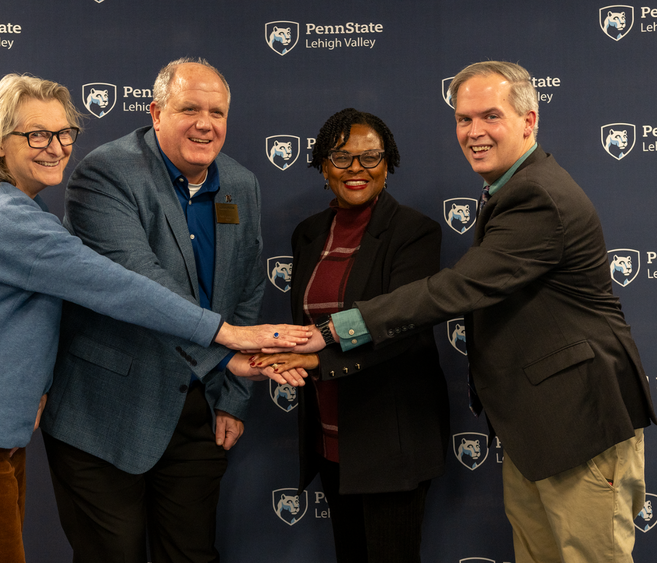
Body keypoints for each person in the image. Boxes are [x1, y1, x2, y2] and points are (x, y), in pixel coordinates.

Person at [0, 74, 306, 563]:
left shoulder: (18, 209)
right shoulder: (3, 217)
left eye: (63, 133)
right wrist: (225, 337)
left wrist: (34, 385)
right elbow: (116, 284)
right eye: (36, 134)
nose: (55, 147)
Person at [286, 61, 656, 563]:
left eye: (490, 116)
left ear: (529, 121)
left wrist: (335, 330)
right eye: (463, 119)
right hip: (541, 427)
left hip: (580, 422)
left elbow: (456, 288)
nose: (474, 132)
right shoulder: (508, 189)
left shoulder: (537, 195)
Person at [40, 58, 278, 563]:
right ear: (155, 112)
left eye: (216, 112)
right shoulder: (105, 172)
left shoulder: (242, 183)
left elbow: (247, 290)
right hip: (103, 412)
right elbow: (139, 282)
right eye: (189, 108)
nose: (204, 123)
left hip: (198, 411)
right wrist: (225, 353)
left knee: (191, 555)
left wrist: (234, 397)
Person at [252, 109, 449, 562]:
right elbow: (303, 325)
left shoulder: (414, 232)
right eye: (342, 158)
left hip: (391, 439)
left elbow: (403, 326)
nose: (356, 169)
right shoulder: (308, 234)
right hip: (331, 435)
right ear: (323, 166)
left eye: (370, 157)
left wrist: (320, 361)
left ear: (388, 164)